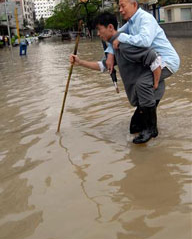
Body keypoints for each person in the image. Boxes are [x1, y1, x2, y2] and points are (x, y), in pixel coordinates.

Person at [70, 12, 166, 144]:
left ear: (110, 27)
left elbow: (154, 57)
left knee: (147, 132)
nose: (98, 34)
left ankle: (152, 132)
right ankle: (153, 136)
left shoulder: (124, 44)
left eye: (99, 29)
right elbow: (103, 66)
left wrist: (155, 83)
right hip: (142, 94)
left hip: (150, 91)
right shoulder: (114, 46)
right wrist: (80, 62)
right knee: (134, 128)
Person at [105, 0, 180, 139]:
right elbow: (115, 36)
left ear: (134, 5)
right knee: (134, 126)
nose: (120, 10)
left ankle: (151, 129)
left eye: (122, 6)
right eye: (119, 7)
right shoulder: (131, 22)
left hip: (166, 61)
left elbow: (144, 41)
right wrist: (110, 54)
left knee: (142, 84)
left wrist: (121, 38)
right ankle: (146, 119)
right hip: (151, 62)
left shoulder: (146, 19)